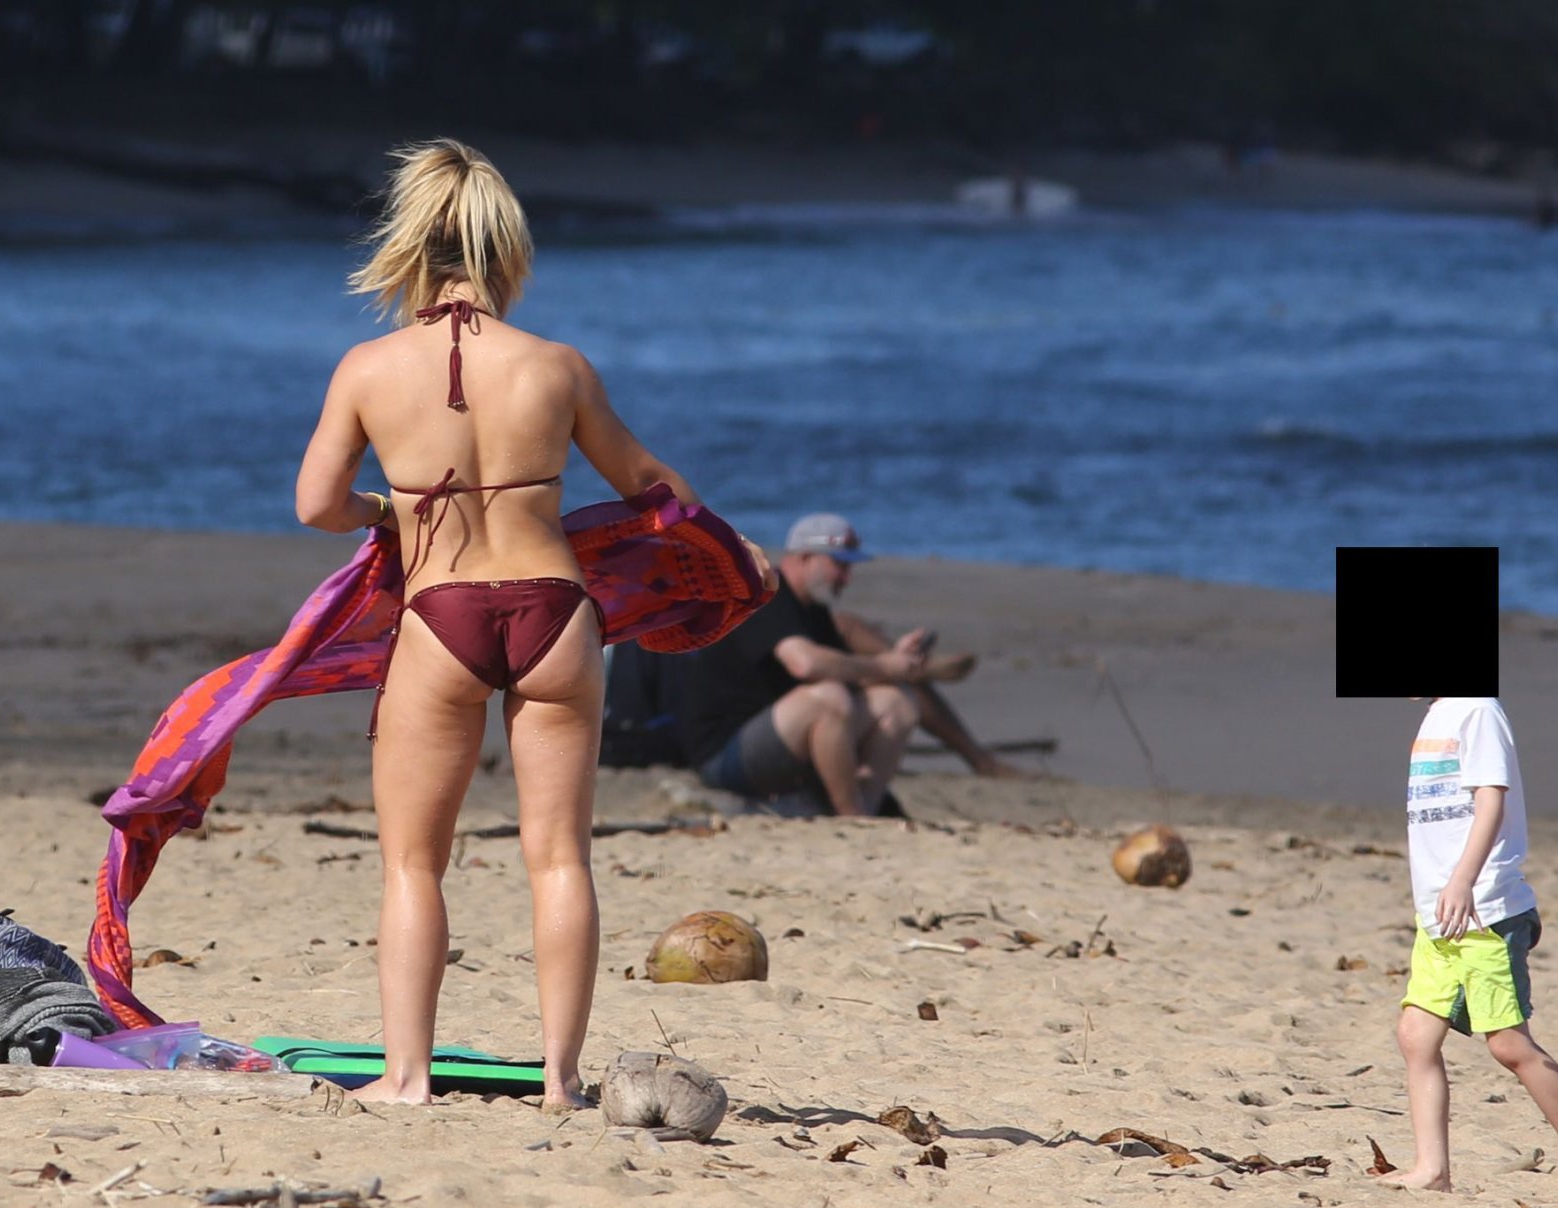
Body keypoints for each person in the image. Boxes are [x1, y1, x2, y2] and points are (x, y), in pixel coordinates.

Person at [293, 138, 760, 1109]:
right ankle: (559, 1079)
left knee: (414, 861)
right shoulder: (556, 367)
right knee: (559, 857)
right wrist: (724, 548)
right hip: (555, 612)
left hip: (440, 616)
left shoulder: (369, 368)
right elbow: (654, 489)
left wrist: (389, 509)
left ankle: (406, 1078)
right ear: (508, 254)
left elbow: (316, 505)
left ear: (407, 250)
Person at [1380, 696, 1558, 1208]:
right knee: (1416, 1035)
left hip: (1485, 910)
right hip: (1438, 915)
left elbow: (1491, 801)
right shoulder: (1438, 714)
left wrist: (1463, 880)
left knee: (1510, 1044)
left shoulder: (1478, 710)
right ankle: (1432, 1169)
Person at [673, 514, 1016, 816]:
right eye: (839, 565)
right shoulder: (765, 595)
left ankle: (864, 808)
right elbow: (805, 664)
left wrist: (900, 663)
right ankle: (851, 813)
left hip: (780, 740)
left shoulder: (814, 611)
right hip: (725, 755)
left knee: (897, 701)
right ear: (804, 557)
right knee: (828, 699)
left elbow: (852, 676)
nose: (847, 578)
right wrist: (884, 666)